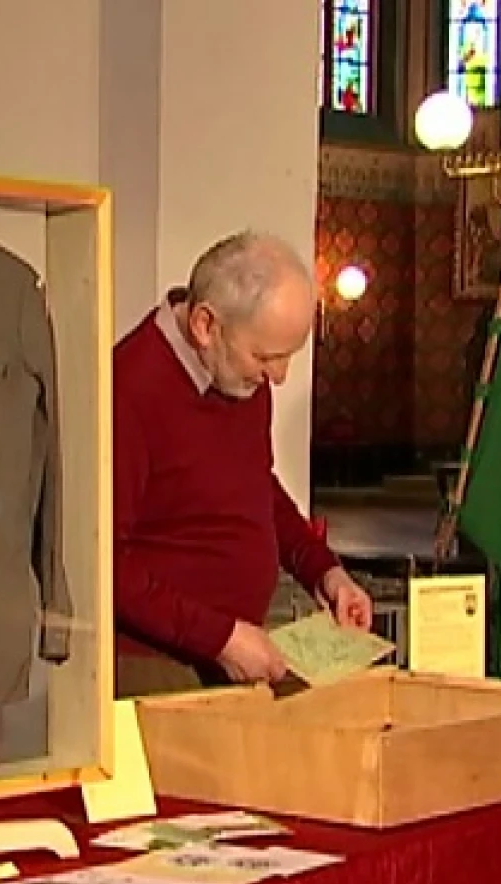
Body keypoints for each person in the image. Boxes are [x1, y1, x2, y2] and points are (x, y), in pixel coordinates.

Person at [111, 231, 372, 698]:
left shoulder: (237, 378)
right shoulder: (128, 389)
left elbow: (256, 488)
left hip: (232, 648)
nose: (279, 376)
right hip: (154, 667)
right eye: (266, 357)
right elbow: (106, 564)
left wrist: (324, 572)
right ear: (206, 326)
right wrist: (221, 638)